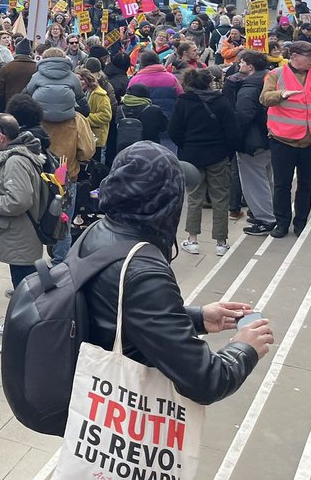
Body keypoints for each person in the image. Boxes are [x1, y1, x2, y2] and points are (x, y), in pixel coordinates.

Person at [77, 142, 273, 404]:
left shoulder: (97, 232)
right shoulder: (144, 270)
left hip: (91, 386)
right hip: (126, 404)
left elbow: (126, 311)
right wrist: (244, 347)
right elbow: (205, 381)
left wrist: (197, 318)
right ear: (166, 202)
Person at [0, 113, 45, 335]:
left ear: (1, 136)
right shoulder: (22, 154)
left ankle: (18, 331)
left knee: (24, 287)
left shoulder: (15, 161)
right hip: (23, 233)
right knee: (27, 283)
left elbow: (19, 199)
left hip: (20, 232)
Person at [169, 68, 240, 257]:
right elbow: (233, 131)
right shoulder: (221, 101)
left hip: (192, 156)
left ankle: (192, 240)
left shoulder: (183, 102)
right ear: (209, 83)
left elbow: (174, 130)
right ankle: (221, 242)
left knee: (194, 198)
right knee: (221, 198)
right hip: (218, 155)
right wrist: (227, 152)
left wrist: (185, 146)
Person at [259, 39, 311, 238]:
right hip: (283, 140)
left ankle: (301, 222)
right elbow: (264, 98)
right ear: (295, 56)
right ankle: (281, 222)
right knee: (282, 184)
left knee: (306, 185)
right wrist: (281, 94)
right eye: (310, 56)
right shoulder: (275, 75)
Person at [224, 50, 277, 235]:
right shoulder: (271, 79)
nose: (239, 66)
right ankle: (271, 212)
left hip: (253, 142)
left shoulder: (248, 87)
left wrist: (236, 140)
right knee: (267, 178)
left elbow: (243, 116)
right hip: (272, 136)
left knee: (254, 181)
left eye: (241, 63)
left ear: (250, 66)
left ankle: (265, 219)